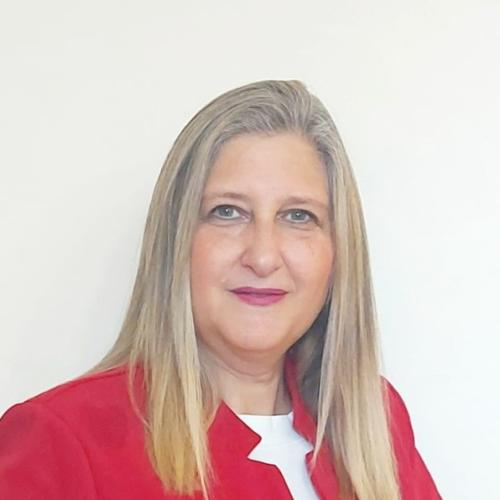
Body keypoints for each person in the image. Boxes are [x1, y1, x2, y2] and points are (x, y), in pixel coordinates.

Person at [0, 79, 442, 500]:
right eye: (227, 212)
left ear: (338, 250)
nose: (263, 257)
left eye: (298, 216)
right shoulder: (62, 438)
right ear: (176, 242)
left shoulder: (374, 423)